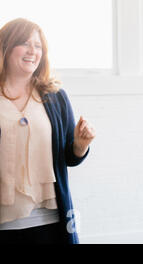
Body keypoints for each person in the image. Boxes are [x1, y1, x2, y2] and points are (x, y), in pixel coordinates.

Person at [0, 18, 95, 244]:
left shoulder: (55, 97)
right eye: (25, 43)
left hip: (50, 223)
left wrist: (81, 145)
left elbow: (68, 157)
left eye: (38, 46)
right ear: (5, 46)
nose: (33, 51)